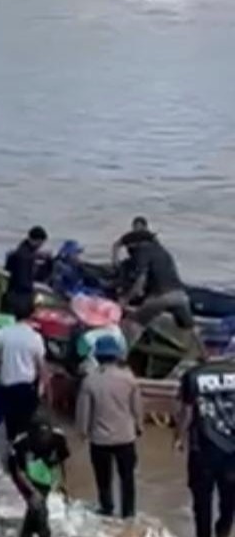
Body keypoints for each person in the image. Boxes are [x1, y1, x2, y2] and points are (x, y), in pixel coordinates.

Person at [75, 335, 141, 519]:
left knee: (103, 478)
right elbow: (137, 408)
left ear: (98, 356)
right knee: (127, 478)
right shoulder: (129, 379)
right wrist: (140, 426)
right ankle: (128, 513)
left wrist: (82, 432)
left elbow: (83, 412)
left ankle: (107, 508)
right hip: (125, 437)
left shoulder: (90, 381)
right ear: (117, 356)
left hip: (100, 439)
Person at [176, 342, 235, 537]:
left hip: (202, 448)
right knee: (229, 497)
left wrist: (179, 436)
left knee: (202, 499)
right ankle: (224, 530)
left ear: (205, 348)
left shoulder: (193, 375)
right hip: (232, 450)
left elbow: (186, 411)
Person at [0, 298, 47, 442]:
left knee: (10, 427)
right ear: (31, 314)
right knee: (25, 429)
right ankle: (22, 458)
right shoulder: (35, 337)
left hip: (6, 388)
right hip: (26, 390)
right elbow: (42, 368)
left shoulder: (2, 333)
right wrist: (41, 390)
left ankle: (12, 454)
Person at [7, 413, 70, 537]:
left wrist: (62, 483)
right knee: (37, 504)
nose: (44, 438)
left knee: (36, 506)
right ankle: (43, 532)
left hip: (44, 471)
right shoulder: (21, 443)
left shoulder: (58, 438)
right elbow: (18, 472)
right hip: (24, 474)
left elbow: (61, 462)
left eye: (46, 435)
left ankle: (27, 532)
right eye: (41, 435)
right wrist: (32, 491)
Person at [120, 230, 194, 332]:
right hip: (181, 296)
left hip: (161, 296)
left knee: (133, 323)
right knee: (188, 328)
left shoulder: (142, 252)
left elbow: (139, 283)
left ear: (134, 244)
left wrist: (125, 300)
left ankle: (123, 345)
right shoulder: (163, 251)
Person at [4, 227, 49, 317]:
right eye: (41, 243)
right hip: (21, 298)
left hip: (11, 292)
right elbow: (24, 280)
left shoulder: (18, 252)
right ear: (37, 241)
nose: (41, 246)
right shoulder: (26, 257)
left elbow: (8, 268)